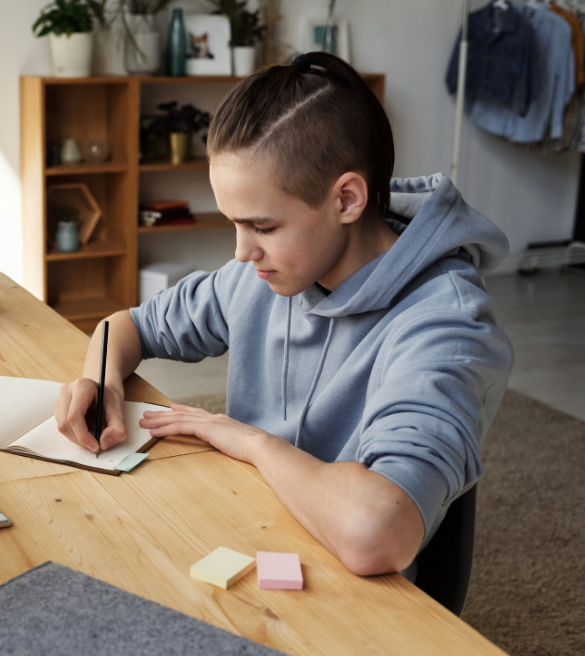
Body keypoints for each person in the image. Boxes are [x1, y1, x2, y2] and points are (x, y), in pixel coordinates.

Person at [54, 51, 514, 578]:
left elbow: (377, 533)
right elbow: (125, 327)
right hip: (247, 532)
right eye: (233, 223)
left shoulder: (446, 326)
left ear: (346, 199)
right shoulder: (264, 273)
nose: (240, 252)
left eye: (263, 227)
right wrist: (101, 380)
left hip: (349, 593)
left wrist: (248, 440)